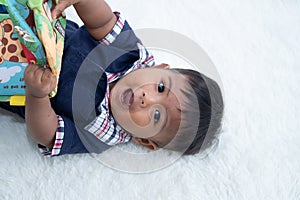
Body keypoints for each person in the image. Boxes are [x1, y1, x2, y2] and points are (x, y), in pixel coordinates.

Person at [0, 0, 224, 157]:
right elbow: (102, 22)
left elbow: (48, 134)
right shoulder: (130, 54)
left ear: (143, 140)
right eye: (162, 87)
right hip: (33, 25)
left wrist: (37, 95)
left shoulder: (100, 134)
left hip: (12, 81)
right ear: (160, 67)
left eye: (157, 116)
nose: (147, 98)